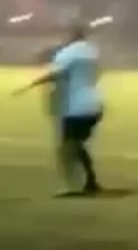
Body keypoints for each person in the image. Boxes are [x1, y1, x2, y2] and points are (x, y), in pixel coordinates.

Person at [13, 23, 103, 196]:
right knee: (76, 144)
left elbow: (56, 73)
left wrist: (31, 84)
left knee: (66, 148)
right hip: (94, 105)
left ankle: (71, 187)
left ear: (70, 35)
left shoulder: (68, 53)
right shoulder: (92, 51)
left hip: (76, 107)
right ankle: (90, 182)